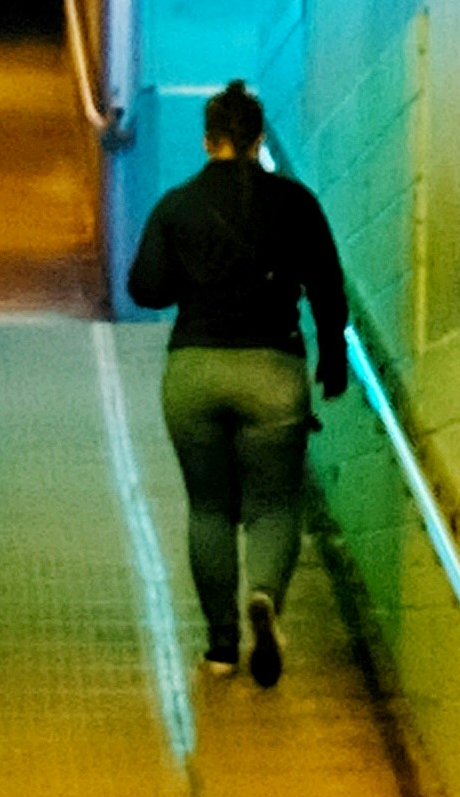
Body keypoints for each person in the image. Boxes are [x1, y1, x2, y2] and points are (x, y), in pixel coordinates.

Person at [126, 80, 351, 686]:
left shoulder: (177, 205)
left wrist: (194, 274)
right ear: (258, 140)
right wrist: (333, 356)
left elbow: (145, 289)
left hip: (195, 370)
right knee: (275, 505)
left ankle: (222, 649)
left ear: (208, 140)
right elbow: (329, 285)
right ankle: (265, 598)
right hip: (273, 370)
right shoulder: (295, 203)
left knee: (210, 508)